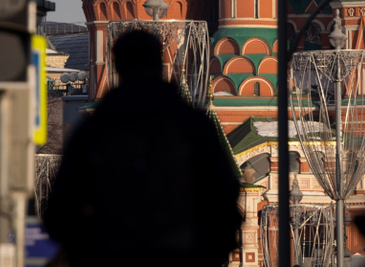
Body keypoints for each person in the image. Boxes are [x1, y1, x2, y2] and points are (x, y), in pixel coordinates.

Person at [44, 30, 241, 267]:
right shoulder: (193, 125)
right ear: (158, 64)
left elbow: (60, 210)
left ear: (118, 67)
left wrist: (86, 249)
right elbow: (224, 194)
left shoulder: (95, 131)